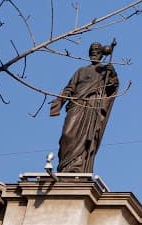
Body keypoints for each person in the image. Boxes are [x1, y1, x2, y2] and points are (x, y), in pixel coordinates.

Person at [49, 40, 121, 175]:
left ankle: (77, 165)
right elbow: (69, 88)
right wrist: (59, 102)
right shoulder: (81, 71)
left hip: (92, 106)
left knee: (85, 139)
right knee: (67, 135)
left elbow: (112, 87)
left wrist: (112, 74)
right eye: (92, 50)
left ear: (101, 54)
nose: (94, 53)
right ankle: (65, 166)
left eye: (97, 51)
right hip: (76, 104)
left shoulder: (105, 71)